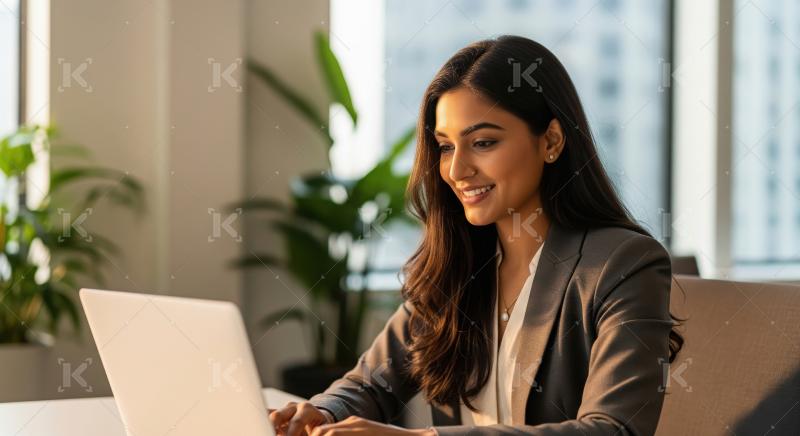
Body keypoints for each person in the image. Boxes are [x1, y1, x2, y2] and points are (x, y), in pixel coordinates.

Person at [269, 34, 683, 436]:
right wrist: (321, 413)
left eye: (483, 142)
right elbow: (372, 383)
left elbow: (613, 429)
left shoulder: (623, 264)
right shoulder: (459, 263)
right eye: (445, 147)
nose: (456, 170)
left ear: (551, 141)